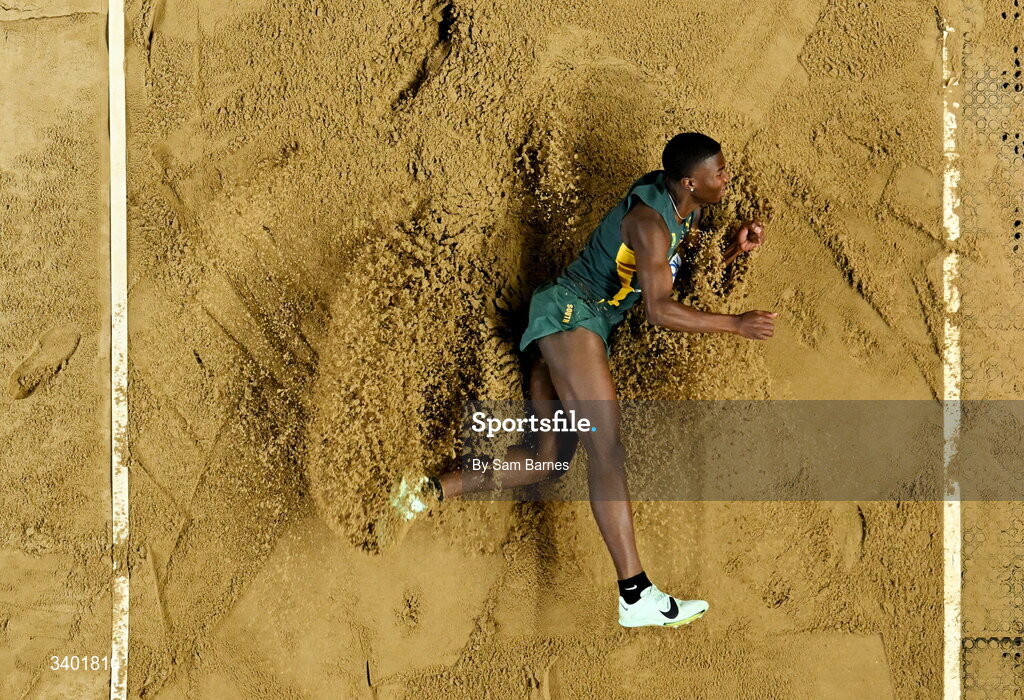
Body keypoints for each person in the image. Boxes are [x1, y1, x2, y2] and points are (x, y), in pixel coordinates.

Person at [392, 132, 776, 628]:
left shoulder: (686, 211)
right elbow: (658, 309)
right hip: (572, 316)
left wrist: (730, 249)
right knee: (607, 450)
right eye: (718, 172)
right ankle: (635, 593)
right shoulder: (650, 223)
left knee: (547, 462)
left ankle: (422, 492)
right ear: (689, 181)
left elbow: (663, 274)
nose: (726, 177)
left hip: (574, 322)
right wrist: (736, 324)